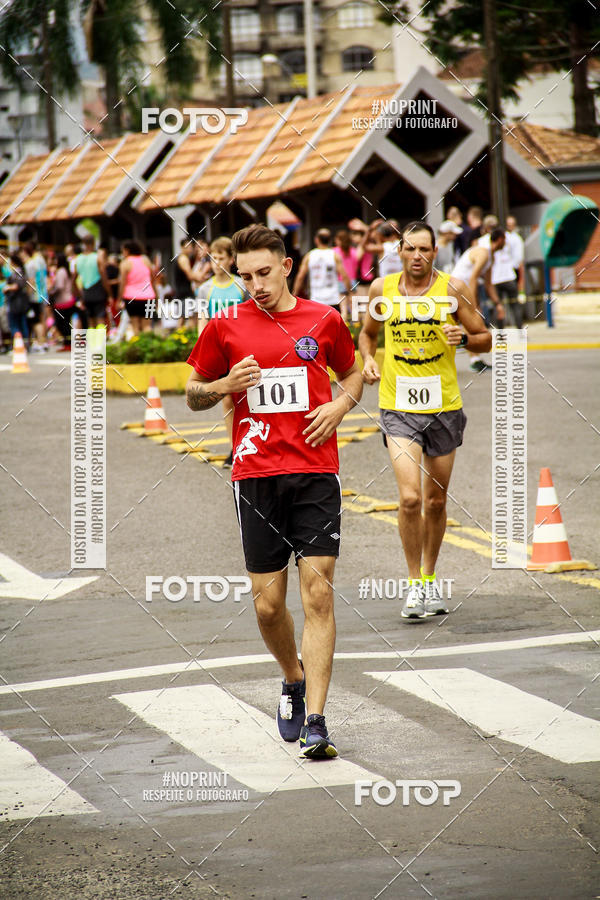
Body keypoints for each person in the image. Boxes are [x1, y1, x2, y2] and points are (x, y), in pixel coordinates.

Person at [186, 223, 363, 758]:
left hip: (315, 472)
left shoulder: (323, 319)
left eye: (264, 273)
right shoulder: (225, 325)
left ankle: (318, 722)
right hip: (255, 477)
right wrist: (225, 385)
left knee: (318, 594)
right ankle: (292, 676)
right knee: (268, 608)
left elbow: (353, 374)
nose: (256, 285)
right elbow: (192, 392)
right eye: (246, 277)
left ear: (287, 266)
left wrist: (340, 406)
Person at [359, 222, 491, 618]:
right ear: (399, 251)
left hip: (443, 406)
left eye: (425, 249)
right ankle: (414, 584)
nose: (417, 256)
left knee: (435, 501)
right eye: (410, 248)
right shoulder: (381, 289)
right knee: (410, 497)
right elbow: (367, 334)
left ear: (435, 252)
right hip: (397, 405)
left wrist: (464, 339)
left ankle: (430, 578)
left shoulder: (453, 289)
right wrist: (368, 359)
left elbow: (485, 336)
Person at [196, 236, 250, 468]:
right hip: (220, 351)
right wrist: (203, 347)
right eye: (213, 258)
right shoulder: (204, 289)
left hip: (242, 348)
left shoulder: (241, 286)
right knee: (227, 398)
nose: (216, 263)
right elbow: (202, 319)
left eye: (221, 258)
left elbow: (251, 316)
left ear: (231, 260)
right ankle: (234, 447)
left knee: (246, 398)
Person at [452, 228, 506, 371]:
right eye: (505, 240)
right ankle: (474, 360)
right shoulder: (483, 253)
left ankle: (475, 359)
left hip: (465, 289)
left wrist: (498, 304)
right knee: (470, 321)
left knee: (469, 323)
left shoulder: (490, 257)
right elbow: (473, 278)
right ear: (500, 239)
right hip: (457, 288)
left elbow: (488, 284)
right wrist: (473, 305)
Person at [293, 228, 350, 313]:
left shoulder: (309, 256)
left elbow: (300, 277)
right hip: (333, 299)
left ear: (316, 240)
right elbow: (344, 276)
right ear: (330, 240)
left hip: (316, 300)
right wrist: (350, 292)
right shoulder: (335, 255)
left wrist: (294, 294)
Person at [118, 240, 156, 335]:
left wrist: (119, 299)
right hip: (149, 297)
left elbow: (122, 283)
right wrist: (157, 297)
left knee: (135, 327)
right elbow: (153, 280)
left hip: (131, 298)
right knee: (147, 326)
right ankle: (150, 344)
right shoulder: (146, 260)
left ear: (127, 250)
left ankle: (139, 344)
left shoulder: (125, 263)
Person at [75, 236, 109, 328]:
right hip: (98, 290)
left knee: (90, 320)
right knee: (100, 318)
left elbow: (73, 280)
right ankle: (100, 338)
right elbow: (104, 276)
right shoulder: (97, 257)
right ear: (94, 243)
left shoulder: (78, 258)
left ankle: (91, 338)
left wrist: (79, 295)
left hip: (85, 292)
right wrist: (109, 293)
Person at [22, 242, 49, 350]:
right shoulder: (41, 259)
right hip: (43, 293)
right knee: (42, 318)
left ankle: (40, 342)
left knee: (36, 320)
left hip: (35, 295)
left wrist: (27, 295)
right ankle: (44, 341)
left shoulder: (32, 262)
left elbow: (31, 280)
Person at [48, 254, 75, 350]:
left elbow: (60, 286)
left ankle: (68, 344)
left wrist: (51, 291)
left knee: (62, 324)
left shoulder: (61, 271)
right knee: (66, 323)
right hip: (67, 301)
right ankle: (68, 344)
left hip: (62, 302)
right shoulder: (65, 270)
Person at [333, 229, 359, 320]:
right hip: (353, 280)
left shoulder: (334, 251)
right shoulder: (353, 251)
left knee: (343, 308)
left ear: (339, 240)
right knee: (353, 307)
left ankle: (344, 324)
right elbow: (356, 266)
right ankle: (356, 325)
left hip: (340, 280)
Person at [4, 252, 29, 342]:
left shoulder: (18, 272)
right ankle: (23, 343)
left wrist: (7, 288)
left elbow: (17, 285)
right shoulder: (18, 272)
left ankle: (21, 344)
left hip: (17, 303)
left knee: (16, 325)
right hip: (18, 302)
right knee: (21, 324)